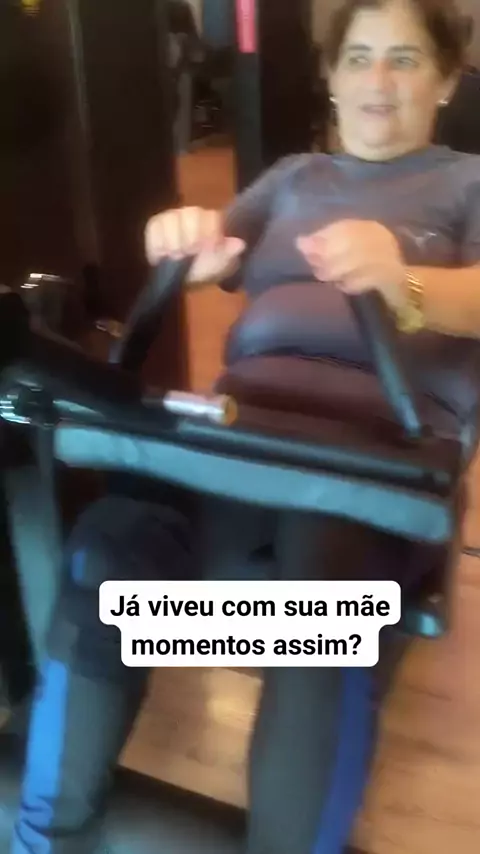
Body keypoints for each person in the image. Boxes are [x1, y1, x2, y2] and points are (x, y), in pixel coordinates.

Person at [11, 1, 480, 853]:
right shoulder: (295, 179)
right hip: (241, 449)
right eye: (359, 58)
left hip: (369, 472)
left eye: (406, 59)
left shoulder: (466, 183)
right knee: (108, 556)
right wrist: (180, 238)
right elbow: (212, 252)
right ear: (331, 78)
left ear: (447, 82)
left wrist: (403, 281)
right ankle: (46, 839)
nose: (378, 81)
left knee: (320, 608)